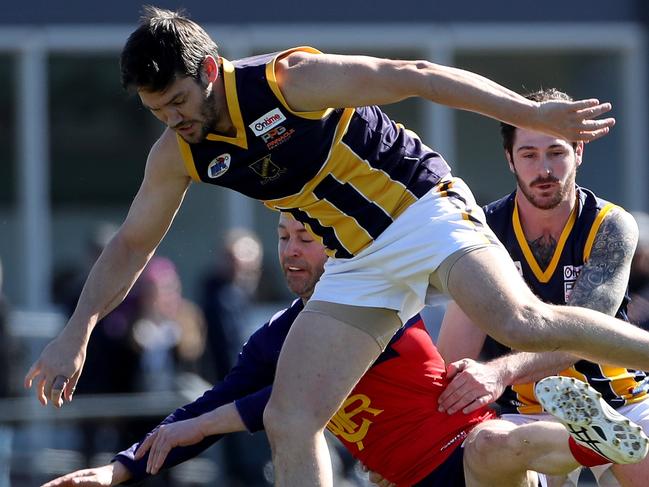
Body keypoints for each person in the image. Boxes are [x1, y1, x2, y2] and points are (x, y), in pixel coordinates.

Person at [24, 7, 649, 486]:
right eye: (158, 110)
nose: (174, 119)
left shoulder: (289, 82)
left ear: (209, 70)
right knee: (288, 420)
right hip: (357, 260)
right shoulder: (178, 153)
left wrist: (532, 115)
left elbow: (416, 77)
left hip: (422, 208)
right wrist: (77, 329)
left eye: (180, 102)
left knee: (520, 322)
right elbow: (132, 242)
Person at [40, 214, 649, 487]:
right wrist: (118, 469)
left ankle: (595, 438)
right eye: (282, 238)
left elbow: (273, 403)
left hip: (458, 444)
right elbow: (221, 401)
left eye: (306, 238)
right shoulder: (276, 335)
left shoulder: (379, 298)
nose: (291, 252)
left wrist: (203, 424)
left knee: (499, 442)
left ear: (337, 248)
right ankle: (589, 441)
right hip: (404, 477)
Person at [436, 88, 649, 487]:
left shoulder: (611, 225)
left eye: (556, 152)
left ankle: (597, 438)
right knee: (484, 449)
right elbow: (452, 356)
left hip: (620, 404)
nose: (544, 169)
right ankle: (580, 444)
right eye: (529, 155)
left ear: (578, 151)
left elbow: (583, 334)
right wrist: (404, 443)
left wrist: (498, 372)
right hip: (524, 414)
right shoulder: (480, 231)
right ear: (509, 159)